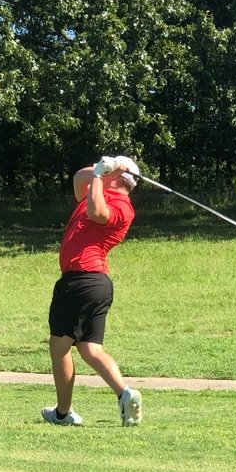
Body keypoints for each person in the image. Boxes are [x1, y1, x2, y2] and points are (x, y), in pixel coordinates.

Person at [42, 155, 143, 427]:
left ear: (116, 178)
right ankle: (125, 394)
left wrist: (100, 176)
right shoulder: (95, 190)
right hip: (93, 284)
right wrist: (101, 170)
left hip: (82, 281)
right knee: (90, 348)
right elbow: (78, 180)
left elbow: (96, 212)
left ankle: (63, 413)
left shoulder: (122, 206)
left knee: (59, 347)